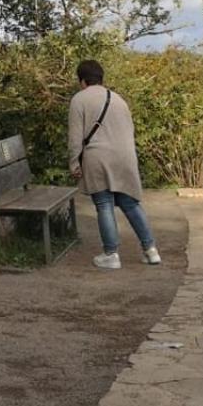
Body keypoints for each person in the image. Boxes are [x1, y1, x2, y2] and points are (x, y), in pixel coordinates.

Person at [68, 60, 161, 270]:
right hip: (125, 156)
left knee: (103, 204)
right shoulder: (118, 99)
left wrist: (74, 163)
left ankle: (111, 254)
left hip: (98, 157)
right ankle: (151, 250)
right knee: (130, 203)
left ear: (82, 80)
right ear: (101, 78)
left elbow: (75, 138)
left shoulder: (79, 99)